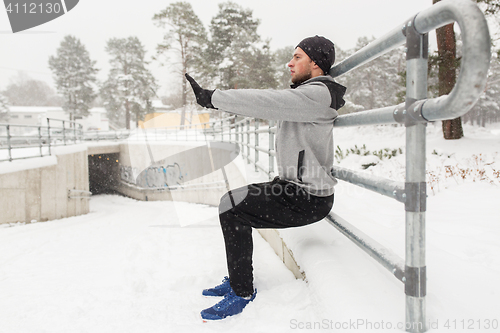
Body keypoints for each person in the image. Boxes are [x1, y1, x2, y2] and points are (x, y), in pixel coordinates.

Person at [186, 35, 346, 321]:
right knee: (231, 202)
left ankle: (242, 290)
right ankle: (238, 278)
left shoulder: (319, 94)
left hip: (308, 197)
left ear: (317, 63)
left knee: (233, 208)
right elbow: (275, 103)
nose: (290, 62)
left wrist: (214, 98)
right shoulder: (309, 94)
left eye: (297, 57)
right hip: (292, 188)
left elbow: (267, 101)